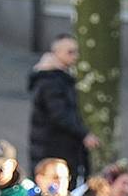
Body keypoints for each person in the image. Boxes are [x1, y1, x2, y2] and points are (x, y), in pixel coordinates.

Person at [25, 37, 94, 183]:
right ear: (56, 53)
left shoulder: (58, 78)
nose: (75, 56)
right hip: (55, 147)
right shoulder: (52, 82)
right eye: (70, 52)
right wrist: (84, 134)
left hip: (55, 146)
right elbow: (60, 114)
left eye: (76, 52)